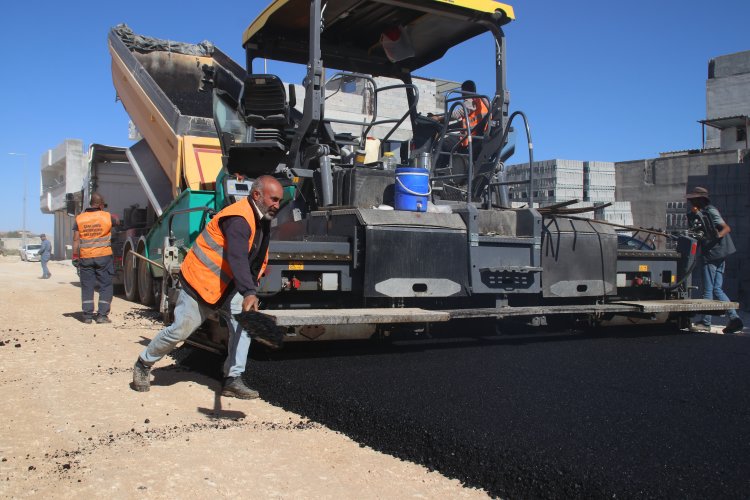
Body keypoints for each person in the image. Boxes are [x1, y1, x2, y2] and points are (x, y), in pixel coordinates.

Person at [131, 175, 283, 399]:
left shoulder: (262, 220)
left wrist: (251, 290)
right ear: (257, 195)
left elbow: (256, 259)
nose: (277, 205)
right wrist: (248, 292)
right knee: (180, 331)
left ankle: (233, 379)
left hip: (229, 287)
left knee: (243, 327)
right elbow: (237, 257)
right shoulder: (239, 219)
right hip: (201, 283)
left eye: (280, 200)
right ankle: (144, 363)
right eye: (274, 199)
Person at [686, 186, 744, 334]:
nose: (691, 202)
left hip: (712, 254)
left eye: (693, 199)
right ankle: (735, 319)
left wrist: (714, 237)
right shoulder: (698, 214)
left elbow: (726, 228)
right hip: (719, 254)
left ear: (700, 199)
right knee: (717, 288)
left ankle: (706, 322)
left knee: (708, 290)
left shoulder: (710, 211)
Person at [73, 193, 118, 324]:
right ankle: (102, 315)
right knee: (105, 285)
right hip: (104, 257)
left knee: (87, 286)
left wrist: (75, 256)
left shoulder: (80, 218)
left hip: (86, 257)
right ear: (101, 204)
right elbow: (117, 221)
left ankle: (87, 316)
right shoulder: (107, 216)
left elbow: (76, 239)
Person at [430, 80, 489, 147]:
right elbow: (464, 123)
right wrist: (448, 127)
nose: (461, 94)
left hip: (470, 137)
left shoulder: (472, 100)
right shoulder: (482, 101)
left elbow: (456, 115)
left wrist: (438, 118)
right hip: (474, 135)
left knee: (442, 145)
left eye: (462, 91)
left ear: (466, 91)